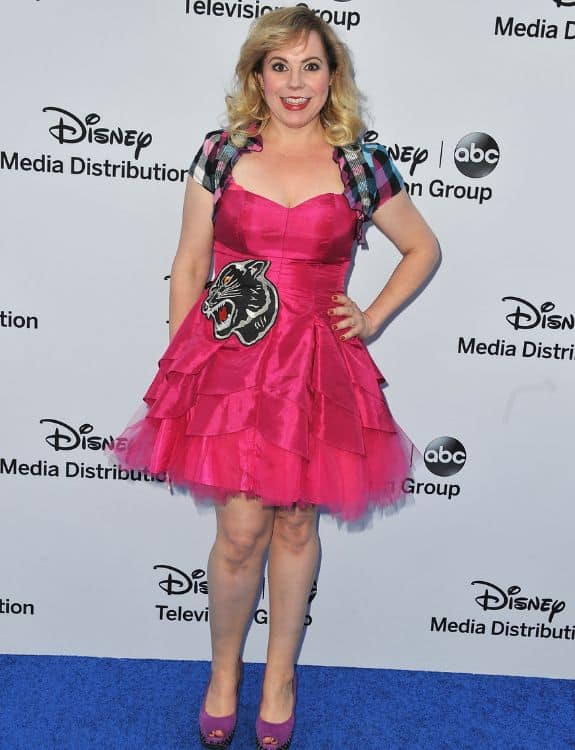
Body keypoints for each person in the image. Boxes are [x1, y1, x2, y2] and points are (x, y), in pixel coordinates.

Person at [109, 7, 439, 749]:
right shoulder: (221, 152)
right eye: (280, 66)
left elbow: (422, 247)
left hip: (315, 367)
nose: (296, 82)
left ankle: (280, 678)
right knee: (239, 532)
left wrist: (371, 316)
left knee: (295, 523)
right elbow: (190, 264)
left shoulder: (360, 164)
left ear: (332, 76)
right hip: (230, 362)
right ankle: (224, 674)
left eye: (311, 66)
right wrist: (187, 360)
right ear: (257, 75)